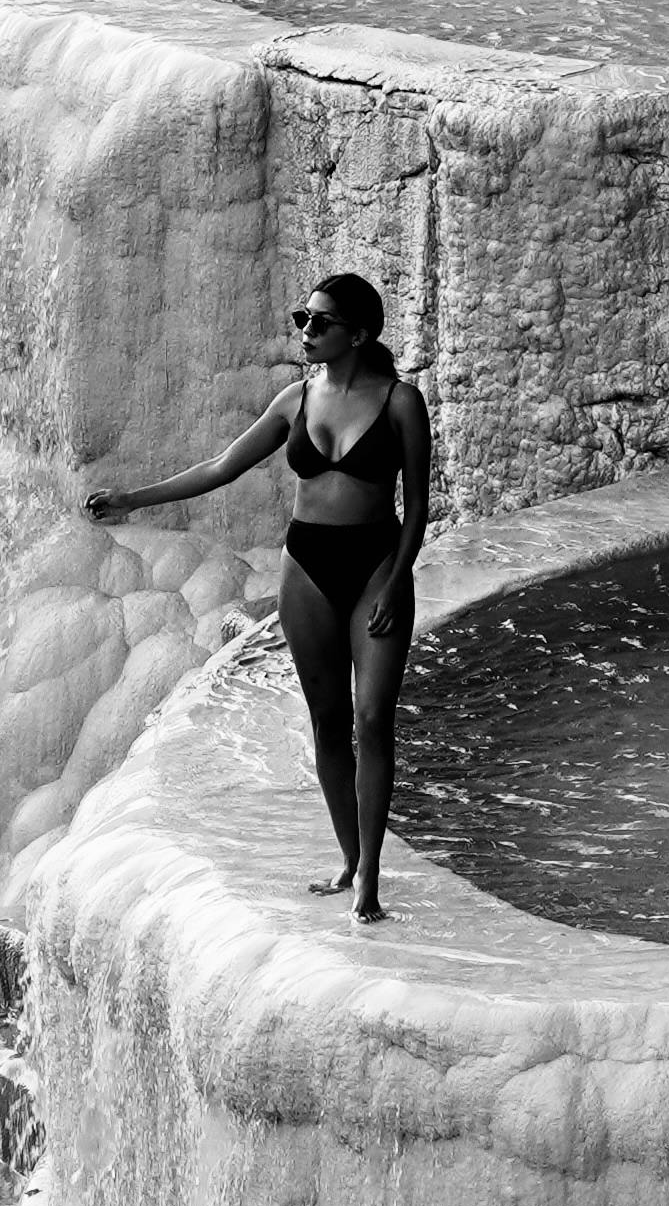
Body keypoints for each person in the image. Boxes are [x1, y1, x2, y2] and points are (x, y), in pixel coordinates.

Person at [86, 272, 432, 920]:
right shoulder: (293, 401)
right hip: (306, 566)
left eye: (320, 322)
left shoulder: (400, 402)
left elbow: (417, 506)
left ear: (357, 334)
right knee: (329, 722)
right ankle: (349, 860)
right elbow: (221, 467)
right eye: (303, 317)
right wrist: (132, 498)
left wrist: (396, 576)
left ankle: (371, 881)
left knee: (372, 719)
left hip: (376, 566)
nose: (305, 330)